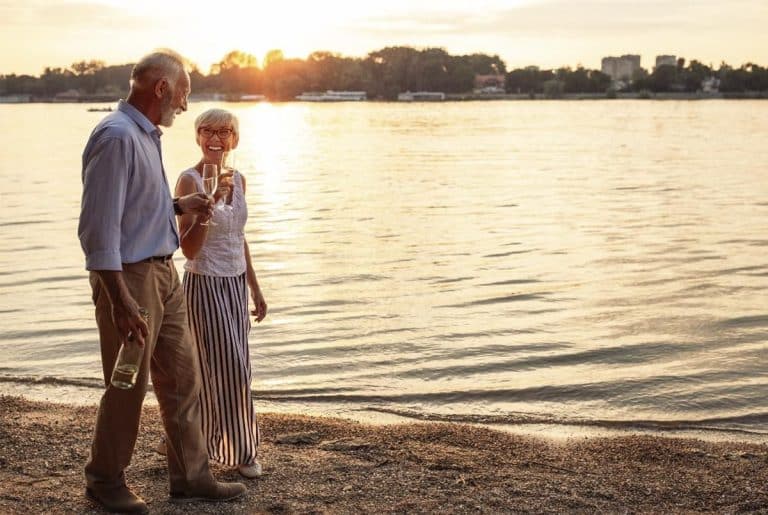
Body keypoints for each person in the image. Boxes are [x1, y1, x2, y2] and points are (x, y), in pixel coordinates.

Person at [78, 50, 247, 513]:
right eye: (185, 94)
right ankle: (105, 480)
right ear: (162, 89)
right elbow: (99, 229)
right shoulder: (116, 137)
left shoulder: (145, 135)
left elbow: (134, 210)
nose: (187, 106)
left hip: (163, 272)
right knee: (127, 382)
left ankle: (192, 477)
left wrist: (181, 207)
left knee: (183, 377)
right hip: (130, 279)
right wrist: (119, 300)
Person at [173, 108, 268, 479]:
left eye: (224, 131)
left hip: (233, 284)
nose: (216, 138)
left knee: (221, 368)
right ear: (197, 137)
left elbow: (238, 237)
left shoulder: (240, 180)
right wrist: (208, 206)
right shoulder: (188, 180)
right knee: (231, 371)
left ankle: (183, 436)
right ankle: (242, 451)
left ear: (234, 139)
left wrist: (255, 288)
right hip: (205, 284)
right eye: (207, 131)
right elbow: (189, 249)